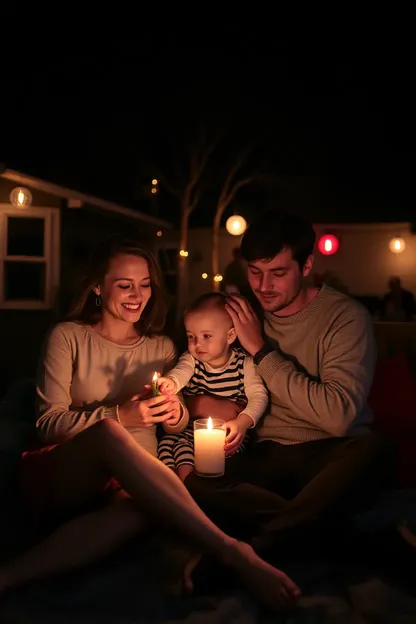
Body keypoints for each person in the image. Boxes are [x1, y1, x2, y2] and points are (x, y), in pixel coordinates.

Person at [0, 235, 300, 612]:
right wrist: (121, 415)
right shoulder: (69, 337)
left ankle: (7, 577)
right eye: (124, 285)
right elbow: (48, 423)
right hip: (66, 470)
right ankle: (233, 551)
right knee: (111, 432)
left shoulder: (161, 348)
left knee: (147, 510)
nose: (136, 294)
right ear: (97, 285)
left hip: (128, 485)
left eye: (144, 285)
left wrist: (176, 418)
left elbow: (171, 429)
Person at [185, 209, 395, 566]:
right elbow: (198, 370)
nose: (264, 286)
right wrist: (193, 401)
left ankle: (243, 558)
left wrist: (262, 351)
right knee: (196, 481)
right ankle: (354, 543)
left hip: (330, 456)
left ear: (307, 265)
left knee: (377, 449)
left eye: (278, 273)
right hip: (266, 457)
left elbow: (339, 417)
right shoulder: (240, 315)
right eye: (255, 272)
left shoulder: (345, 317)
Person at [157, 292, 268, 481]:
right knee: (166, 445)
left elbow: (259, 395)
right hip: (190, 430)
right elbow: (181, 373)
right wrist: (171, 383)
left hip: (227, 434)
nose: (197, 344)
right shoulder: (191, 360)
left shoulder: (244, 363)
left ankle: (189, 488)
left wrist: (242, 423)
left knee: (191, 451)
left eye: (206, 336)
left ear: (230, 335)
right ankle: (174, 486)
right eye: (191, 336)